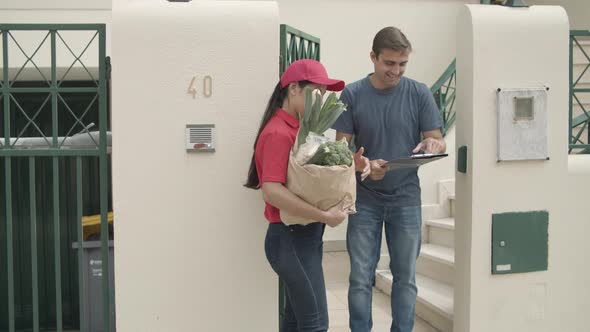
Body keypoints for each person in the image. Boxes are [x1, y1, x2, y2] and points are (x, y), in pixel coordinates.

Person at [332, 27, 446, 332]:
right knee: (360, 278)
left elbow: (436, 138)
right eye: (389, 63)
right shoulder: (353, 94)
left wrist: (435, 144)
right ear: (373, 57)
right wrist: (363, 163)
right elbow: (341, 149)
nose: (395, 71)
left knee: (405, 277)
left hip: (406, 198)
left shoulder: (419, 92)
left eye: (402, 64)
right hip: (365, 199)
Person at [244, 59, 370, 332]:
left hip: (302, 238)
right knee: (315, 324)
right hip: (289, 238)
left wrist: (352, 165)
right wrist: (324, 215)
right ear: (293, 90)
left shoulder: (302, 132)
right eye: (317, 91)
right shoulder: (278, 132)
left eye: (325, 94)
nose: (322, 99)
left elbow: (311, 176)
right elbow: (272, 191)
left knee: (295, 322)